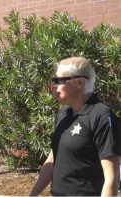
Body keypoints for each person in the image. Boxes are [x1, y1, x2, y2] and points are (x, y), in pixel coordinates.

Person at [29, 57, 121, 196]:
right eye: (53, 81)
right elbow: (53, 158)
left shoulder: (101, 115)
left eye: (59, 81)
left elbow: (111, 178)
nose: (53, 86)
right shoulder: (64, 113)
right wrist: (32, 195)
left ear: (80, 83)